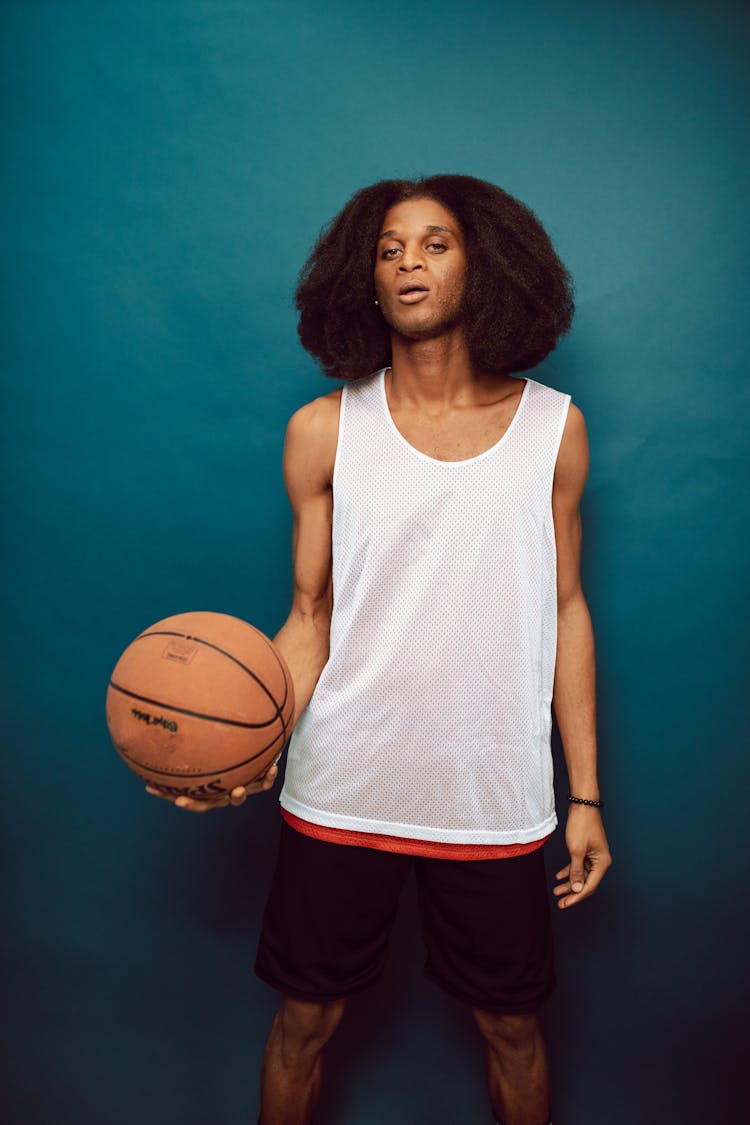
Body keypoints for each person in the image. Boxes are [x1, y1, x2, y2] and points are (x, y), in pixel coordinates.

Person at [148, 174, 612, 1125]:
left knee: (514, 1031)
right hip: (344, 783)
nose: (409, 261)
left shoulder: (553, 429)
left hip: (490, 792)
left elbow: (568, 608)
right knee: (304, 1022)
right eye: (391, 246)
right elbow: (308, 617)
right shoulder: (323, 431)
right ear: (361, 278)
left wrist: (587, 795)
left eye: (436, 243)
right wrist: (249, 743)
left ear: (485, 265)